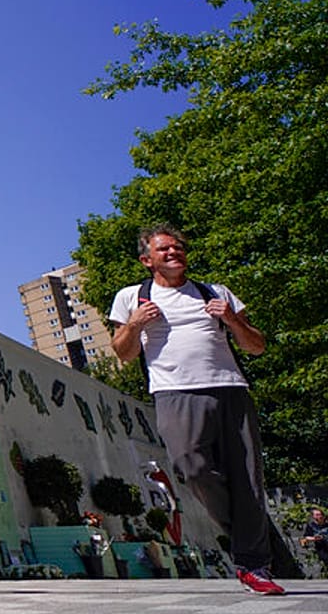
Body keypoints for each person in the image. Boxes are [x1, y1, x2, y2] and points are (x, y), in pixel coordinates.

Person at [108, 224, 283, 595]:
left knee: (248, 478)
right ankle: (247, 539)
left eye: (178, 247)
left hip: (231, 389)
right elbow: (123, 353)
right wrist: (136, 324)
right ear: (147, 260)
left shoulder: (215, 293)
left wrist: (232, 319)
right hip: (174, 392)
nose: (174, 253)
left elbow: (256, 347)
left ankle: (253, 564)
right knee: (191, 466)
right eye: (164, 250)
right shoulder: (131, 298)